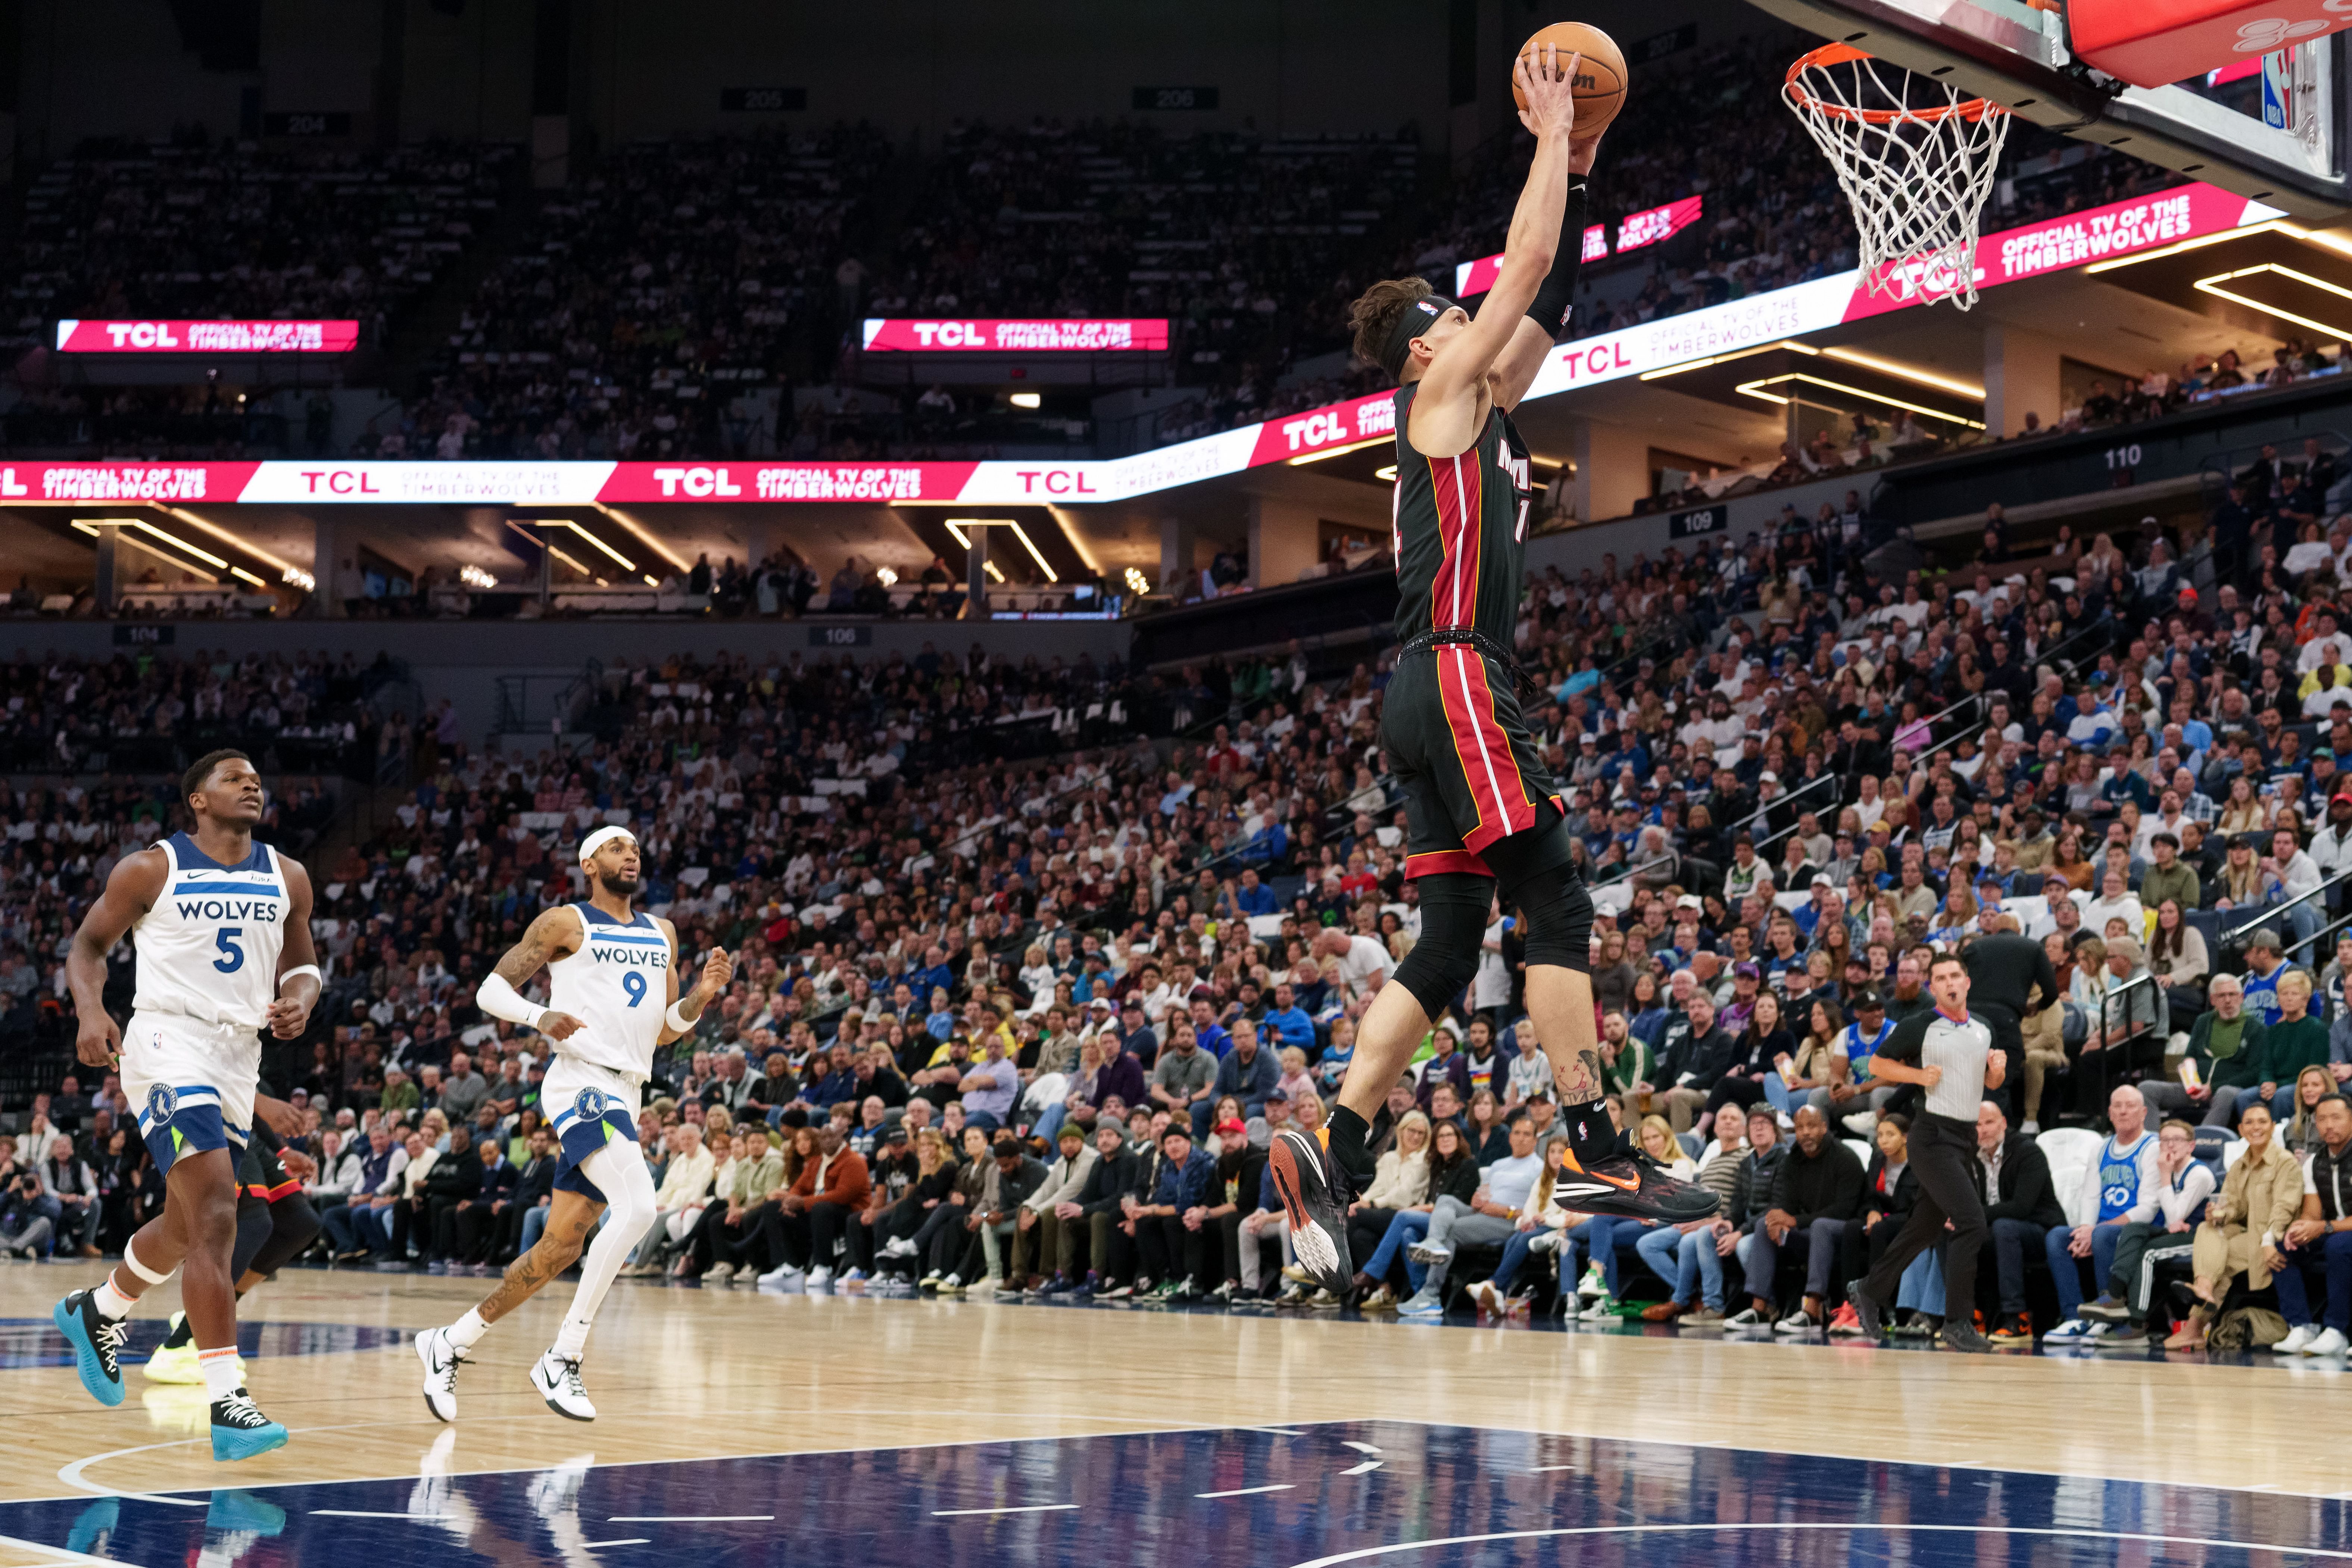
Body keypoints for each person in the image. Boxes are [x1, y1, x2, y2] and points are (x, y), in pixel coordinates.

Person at [1276, 42, 1715, 1296]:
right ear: (1422, 349)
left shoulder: (1478, 398)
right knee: (1560, 900)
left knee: (1452, 932)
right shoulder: (1440, 401)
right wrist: (1544, 133)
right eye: (1452, 318)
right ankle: (1591, 1144)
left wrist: (1577, 168)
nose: (1474, 322)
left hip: (1424, 688)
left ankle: (1339, 1138)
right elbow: (1517, 268)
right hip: (1461, 673)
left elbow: (1548, 293)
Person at [50, 750, 320, 1462]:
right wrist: (89, 1010)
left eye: (258, 777)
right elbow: (87, 946)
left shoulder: (287, 874)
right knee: (222, 1212)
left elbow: (302, 964)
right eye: (234, 778)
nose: (252, 784)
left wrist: (299, 1000)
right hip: (168, 1039)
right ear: (197, 799)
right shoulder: (153, 867)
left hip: (239, 1055)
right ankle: (227, 1400)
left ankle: (100, 1308)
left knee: (183, 1224)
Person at [414, 825, 732, 1422]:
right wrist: (541, 1016)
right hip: (582, 1082)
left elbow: (666, 1028)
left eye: (635, 847)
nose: (630, 854)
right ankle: (565, 1354)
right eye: (617, 847)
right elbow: (490, 990)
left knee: (559, 1247)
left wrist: (702, 994)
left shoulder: (662, 932)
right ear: (589, 862)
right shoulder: (565, 922)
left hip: (628, 1089)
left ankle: (451, 1341)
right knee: (640, 1208)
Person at [1847, 953, 2008, 1352]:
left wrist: (1997, 1072)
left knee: (1924, 1226)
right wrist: (1917, 1075)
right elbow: (1877, 1062)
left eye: (1955, 975)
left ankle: (1869, 1288)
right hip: (1930, 1136)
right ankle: (1956, 1321)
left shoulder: (1982, 1028)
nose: (1949, 982)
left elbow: (1985, 1083)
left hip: (1963, 1137)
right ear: (1931, 987)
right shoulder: (1920, 1025)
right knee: (1971, 1222)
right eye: (1940, 977)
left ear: (1966, 982)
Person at [2174, 1101, 2303, 1348]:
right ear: (2241, 1129)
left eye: (2263, 1122)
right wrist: (2220, 1215)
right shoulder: (2239, 1165)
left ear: (2273, 1127)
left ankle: (2195, 1324)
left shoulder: (2285, 1162)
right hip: (2245, 1233)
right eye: (2250, 1123)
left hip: (2270, 1237)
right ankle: (2204, 1290)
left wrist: (2269, 1240)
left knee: (2218, 1263)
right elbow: (2235, 1206)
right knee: (2207, 1227)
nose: (2256, 1127)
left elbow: (2285, 1207)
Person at [2078, 1118, 2215, 1345]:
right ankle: (2114, 1295)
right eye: (2165, 1140)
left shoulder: (2199, 1174)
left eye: (2177, 1140)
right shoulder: (2166, 1168)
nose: (2170, 1145)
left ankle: (2137, 1326)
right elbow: (2161, 1214)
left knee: (2148, 1253)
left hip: (2199, 1237)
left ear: (2191, 1146)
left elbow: (2174, 1217)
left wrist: (2164, 1176)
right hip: (2173, 1232)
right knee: (2133, 1230)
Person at [2040, 1085, 2159, 1343]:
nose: (2123, 1111)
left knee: (2103, 1235)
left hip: (2138, 1229)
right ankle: (2075, 1317)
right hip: (2103, 1229)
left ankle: (2109, 1317)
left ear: (2144, 1112)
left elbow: (2148, 1208)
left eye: (2130, 1106)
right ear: (2110, 1113)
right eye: (2117, 1106)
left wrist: (2094, 1233)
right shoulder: (2101, 1148)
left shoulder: (2152, 1147)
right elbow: (2091, 1196)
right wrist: (2085, 1229)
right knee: (2057, 1237)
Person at [1975, 1100, 2066, 1343]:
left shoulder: (2028, 1152)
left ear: (2003, 1123)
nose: (1983, 1130)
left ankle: (2018, 1317)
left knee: (2004, 1226)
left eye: (1989, 1123)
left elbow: (2021, 1207)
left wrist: (1973, 1216)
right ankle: (1968, 1315)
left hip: (2041, 1229)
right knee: (1952, 1231)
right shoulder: (1971, 1156)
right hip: (1997, 1228)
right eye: (1977, 1124)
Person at [2271, 1093, 2352, 1355]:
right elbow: (2312, 1214)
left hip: (2341, 1236)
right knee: (2284, 1247)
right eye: (2322, 1119)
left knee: (2338, 1246)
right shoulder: (2314, 1163)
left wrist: (2324, 1228)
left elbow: (2324, 1226)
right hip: (2337, 1232)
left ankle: (2338, 1330)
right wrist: (2300, 1229)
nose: (2329, 1125)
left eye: (2336, 1118)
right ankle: (2302, 1325)